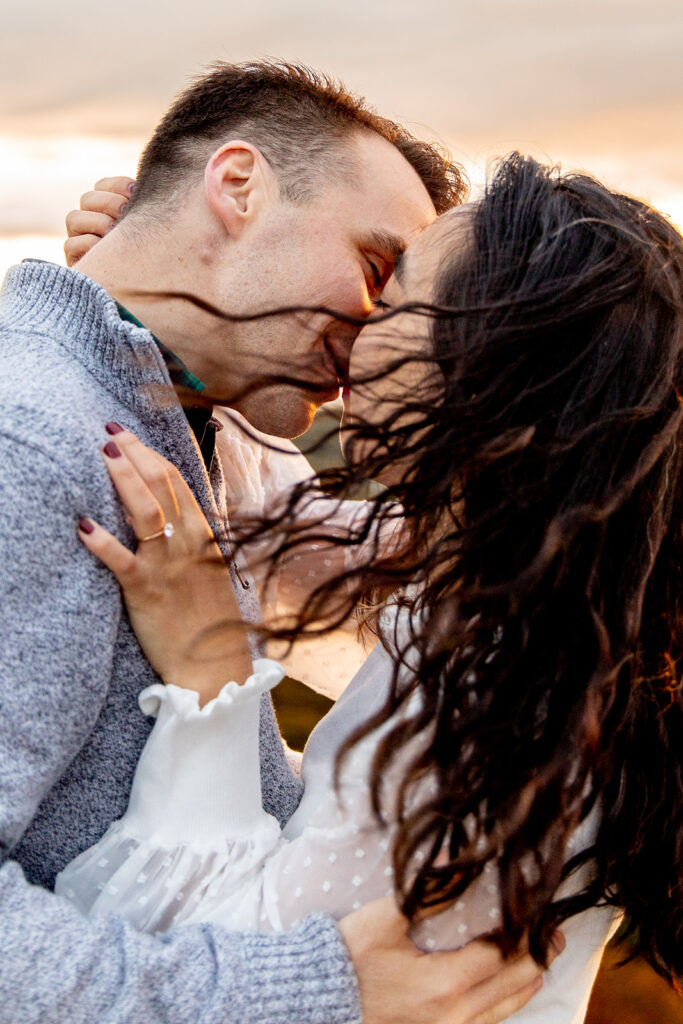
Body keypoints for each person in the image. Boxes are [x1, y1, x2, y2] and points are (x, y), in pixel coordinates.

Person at [56, 154, 683, 1022]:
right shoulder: (533, 603)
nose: (353, 321)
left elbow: (214, 962)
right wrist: (156, 302)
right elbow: (276, 535)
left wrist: (215, 689)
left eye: (392, 292)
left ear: (481, 362)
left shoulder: (497, 713)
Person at [0, 61, 542, 1024]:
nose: (378, 332)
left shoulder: (203, 436)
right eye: (377, 269)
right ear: (237, 185)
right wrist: (309, 992)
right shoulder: (32, 444)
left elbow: (397, 616)